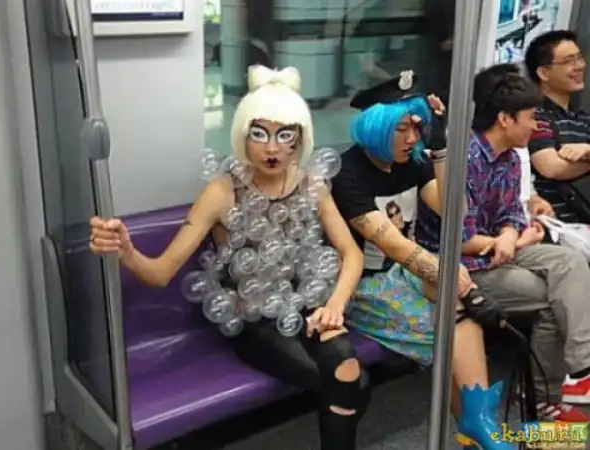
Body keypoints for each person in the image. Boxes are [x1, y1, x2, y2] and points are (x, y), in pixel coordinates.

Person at [89, 65, 370, 450]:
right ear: (242, 135)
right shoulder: (223, 192)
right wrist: (126, 250)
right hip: (252, 317)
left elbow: (350, 252)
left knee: (350, 371)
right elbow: (160, 273)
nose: (271, 148)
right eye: (260, 134)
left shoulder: (312, 185)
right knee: (350, 385)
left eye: (284, 135)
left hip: (308, 305)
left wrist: (334, 306)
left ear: (299, 138)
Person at [331, 70, 513, 449]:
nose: (412, 138)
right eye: (402, 129)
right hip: (361, 284)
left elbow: (456, 210)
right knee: (448, 324)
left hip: (404, 271)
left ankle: (479, 424)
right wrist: (448, 275)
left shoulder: (412, 161)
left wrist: (441, 148)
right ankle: (479, 431)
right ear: (376, 127)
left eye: (418, 127)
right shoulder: (347, 173)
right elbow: (392, 245)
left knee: (461, 313)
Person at [416, 63, 590, 420]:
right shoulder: (462, 160)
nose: (536, 126)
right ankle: (548, 395)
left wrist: (511, 235)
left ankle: (581, 371)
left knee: (569, 262)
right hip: (462, 266)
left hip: (500, 250)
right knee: (553, 296)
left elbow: (511, 213)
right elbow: (458, 236)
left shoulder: (510, 158)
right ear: (505, 119)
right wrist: (506, 242)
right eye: (530, 117)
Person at [524, 30, 590, 223]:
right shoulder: (534, 115)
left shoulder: (584, 119)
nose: (579, 66)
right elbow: (552, 167)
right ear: (544, 72)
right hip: (557, 227)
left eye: (579, 58)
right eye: (569, 61)